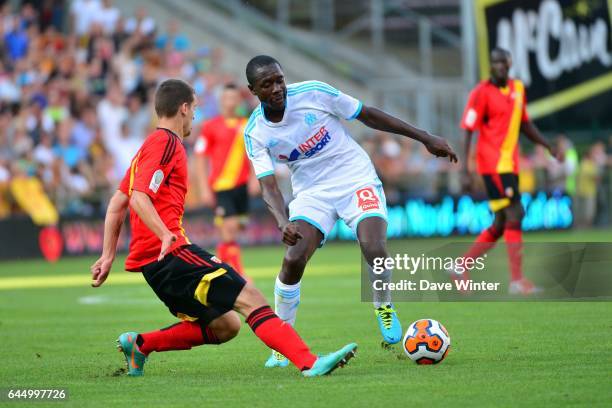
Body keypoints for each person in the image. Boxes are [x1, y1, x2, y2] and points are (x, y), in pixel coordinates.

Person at [90, 79, 356, 377]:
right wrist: (165, 234)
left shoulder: (147, 148)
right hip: (171, 254)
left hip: (156, 264)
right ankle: (309, 362)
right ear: (184, 108)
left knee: (226, 326)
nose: (195, 117)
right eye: (194, 111)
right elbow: (138, 198)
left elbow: (117, 203)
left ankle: (140, 344)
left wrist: (108, 256)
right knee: (250, 297)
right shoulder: (166, 143)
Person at [243, 55, 457, 367]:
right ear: (253, 90)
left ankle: (383, 305)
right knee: (293, 260)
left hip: (354, 177)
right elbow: (268, 185)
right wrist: (282, 221)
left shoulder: (313, 92)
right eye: (267, 84)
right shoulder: (255, 132)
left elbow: (367, 115)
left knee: (374, 247)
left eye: (280, 80)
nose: (277, 88)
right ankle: (281, 341)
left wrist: (425, 137)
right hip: (312, 192)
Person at [459, 48, 562, 295]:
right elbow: (468, 129)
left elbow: (524, 123)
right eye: (494, 63)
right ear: (490, 66)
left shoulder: (518, 89)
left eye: (503, 63)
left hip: (511, 164)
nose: (499, 67)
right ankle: (516, 281)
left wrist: (546, 145)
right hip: (492, 163)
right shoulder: (481, 93)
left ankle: (461, 265)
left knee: (501, 222)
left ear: (509, 64)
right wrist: (465, 168)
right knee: (516, 211)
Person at [194, 83, 256, 277]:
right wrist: (204, 188)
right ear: (221, 100)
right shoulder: (210, 126)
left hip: (242, 186)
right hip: (222, 186)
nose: (230, 102)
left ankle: (221, 271)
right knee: (228, 229)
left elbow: (255, 154)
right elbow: (200, 158)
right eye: (227, 98)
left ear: (238, 100)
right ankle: (239, 273)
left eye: (234, 98)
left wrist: (255, 178)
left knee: (234, 230)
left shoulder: (247, 125)